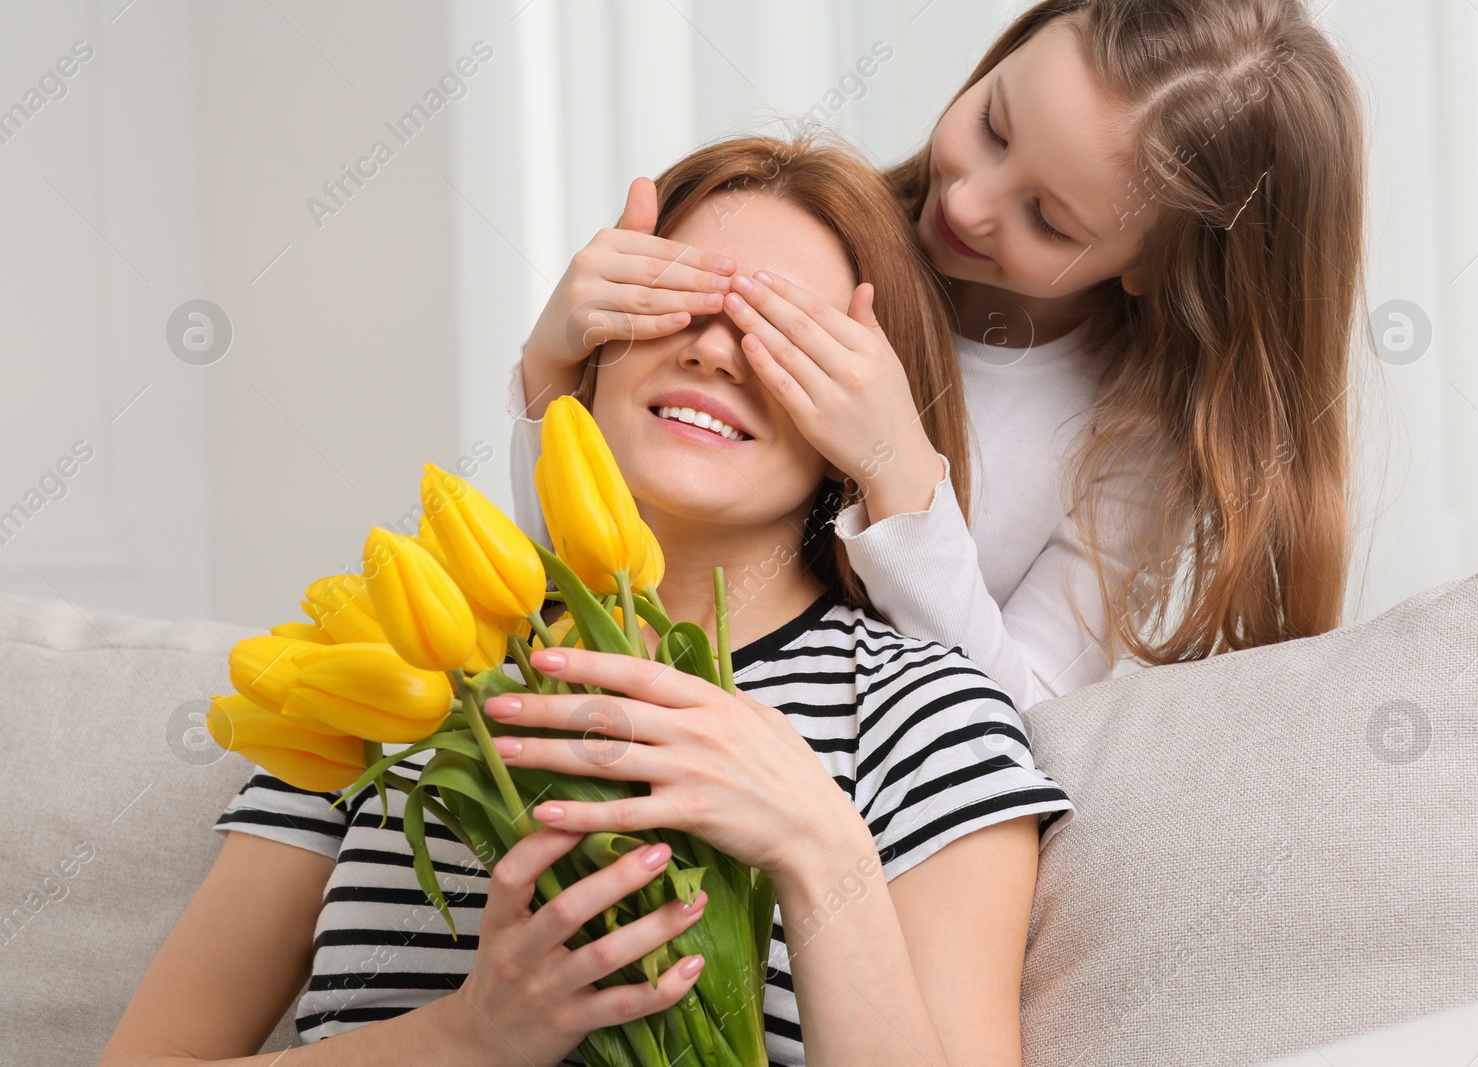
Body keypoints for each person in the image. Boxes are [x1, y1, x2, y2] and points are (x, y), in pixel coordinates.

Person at [101, 134, 1073, 1067]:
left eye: (786, 335)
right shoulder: (398, 661)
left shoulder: (920, 713)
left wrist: (817, 843)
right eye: (671, 298)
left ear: (863, 417)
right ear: (590, 341)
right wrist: (468, 1036)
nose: (715, 351)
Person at [511, 0, 1367, 709]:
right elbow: (593, 560)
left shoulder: (1129, 442)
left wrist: (900, 472)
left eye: (1050, 219)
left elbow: (1021, 723)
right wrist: (551, 378)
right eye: (994, 125)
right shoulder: (828, 235)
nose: (968, 198)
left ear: (1150, 264)